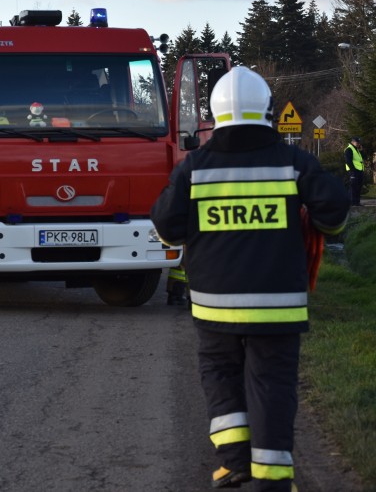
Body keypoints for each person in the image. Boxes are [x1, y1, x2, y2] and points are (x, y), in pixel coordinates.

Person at [150, 66, 349, 491]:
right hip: (278, 303)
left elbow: (167, 228)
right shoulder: (294, 162)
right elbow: (334, 214)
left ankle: (233, 462)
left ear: (214, 114)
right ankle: (274, 477)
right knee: (272, 382)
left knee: (221, 374)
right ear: (268, 112)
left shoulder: (194, 169)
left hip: (213, 302)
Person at [344, 136, 364, 206]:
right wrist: (353, 170)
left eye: (359, 142)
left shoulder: (357, 150)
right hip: (353, 171)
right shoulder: (349, 149)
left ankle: (357, 202)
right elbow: (348, 161)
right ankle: (352, 203)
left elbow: (362, 159)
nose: (358, 144)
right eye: (357, 142)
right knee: (353, 187)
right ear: (352, 142)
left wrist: (361, 151)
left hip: (359, 170)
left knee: (358, 187)